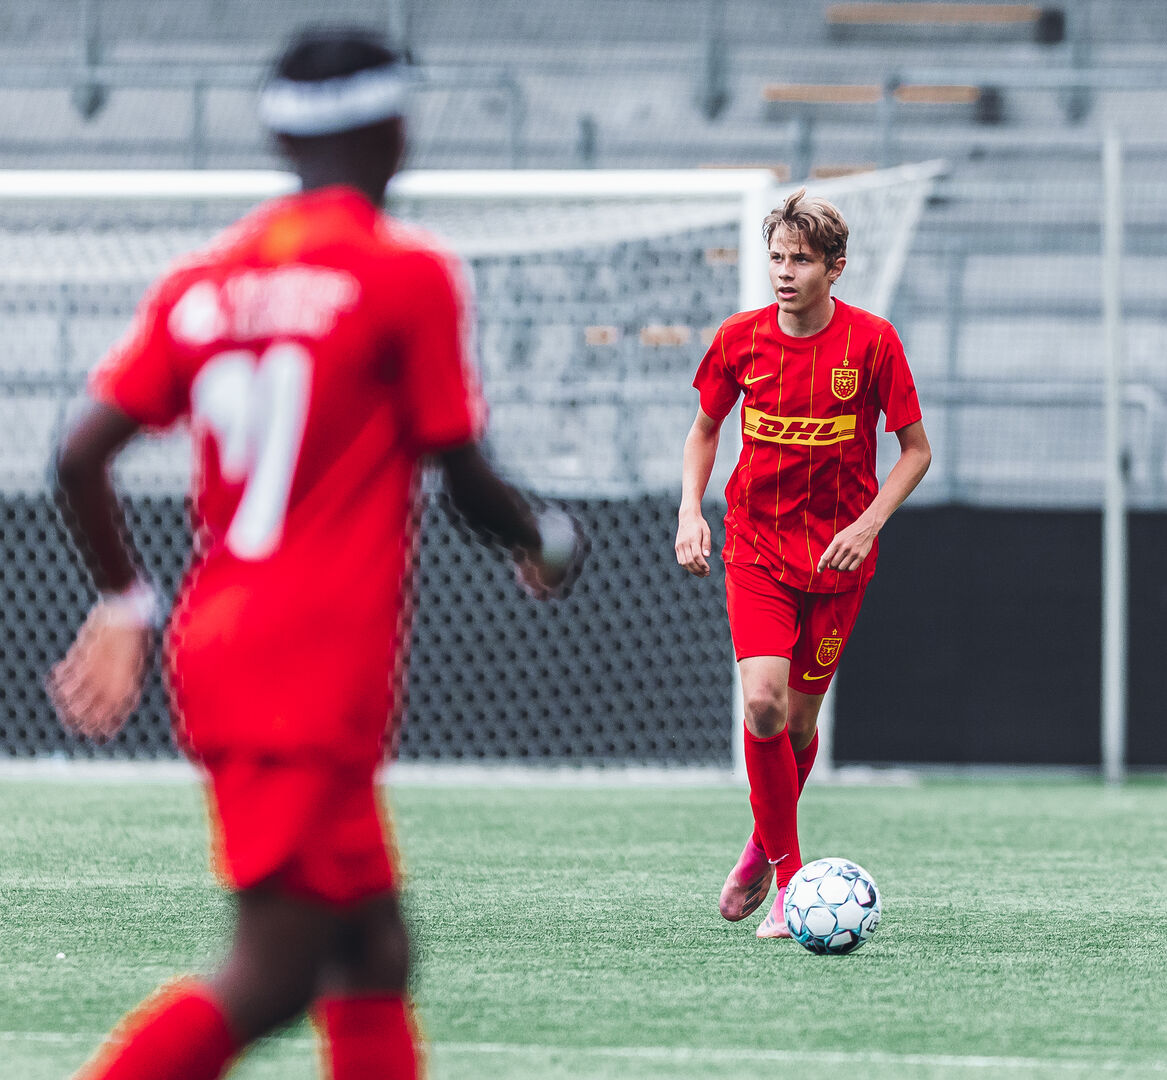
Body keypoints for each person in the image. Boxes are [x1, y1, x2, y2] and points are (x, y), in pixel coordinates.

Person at [48, 27, 580, 1080]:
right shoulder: (403, 273)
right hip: (312, 662)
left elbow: (75, 454)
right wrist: (547, 539)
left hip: (226, 638)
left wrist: (123, 597)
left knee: (372, 950)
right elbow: (462, 474)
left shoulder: (208, 280)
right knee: (275, 969)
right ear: (392, 130)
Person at [675, 189, 931, 938]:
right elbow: (702, 431)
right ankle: (792, 881)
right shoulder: (738, 340)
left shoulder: (873, 344)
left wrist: (871, 521)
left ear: (836, 268)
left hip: (837, 556)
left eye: (801, 261)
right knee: (762, 704)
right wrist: (691, 510)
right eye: (777, 259)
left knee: (795, 728)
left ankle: (762, 844)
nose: (784, 273)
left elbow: (916, 451)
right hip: (755, 545)